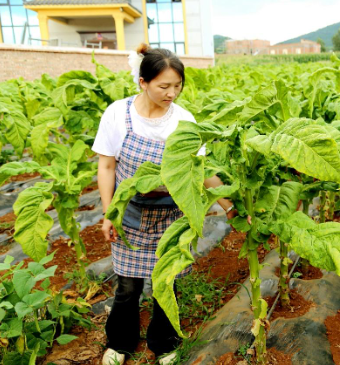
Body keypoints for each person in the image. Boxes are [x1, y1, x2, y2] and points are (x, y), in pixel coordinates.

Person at [92, 44, 237, 365]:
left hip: (171, 216)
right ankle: (119, 344)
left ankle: (164, 344)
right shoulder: (118, 113)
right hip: (129, 212)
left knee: (165, 283)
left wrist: (228, 205)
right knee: (128, 287)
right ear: (142, 82)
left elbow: (199, 173)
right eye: (164, 86)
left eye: (178, 86)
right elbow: (106, 166)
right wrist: (108, 213)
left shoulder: (183, 120)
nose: (172, 93)